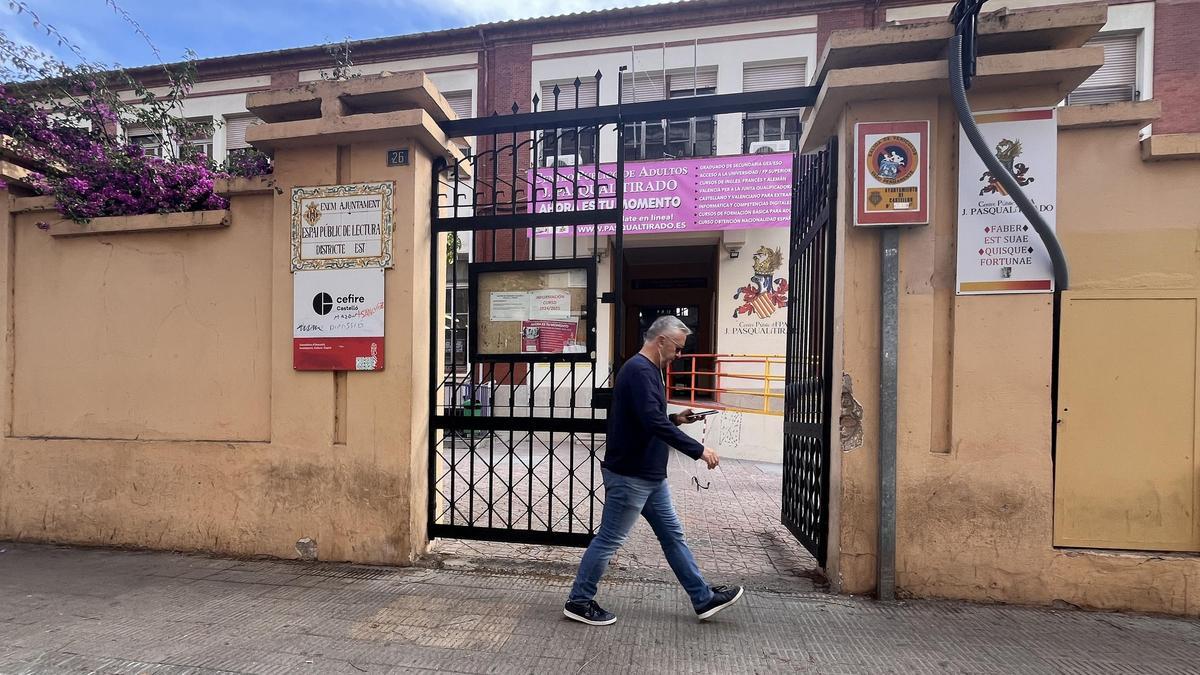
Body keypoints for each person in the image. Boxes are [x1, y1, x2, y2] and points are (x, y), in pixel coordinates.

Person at [563, 315, 744, 626]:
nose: (679, 355)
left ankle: (702, 599)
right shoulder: (638, 371)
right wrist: (698, 450)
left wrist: (676, 419)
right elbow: (651, 421)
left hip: (648, 476)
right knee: (609, 540)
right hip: (631, 475)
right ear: (661, 341)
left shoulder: (648, 371)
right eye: (677, 348)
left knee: (673, 537)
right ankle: (579, 601)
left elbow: (647, 418)